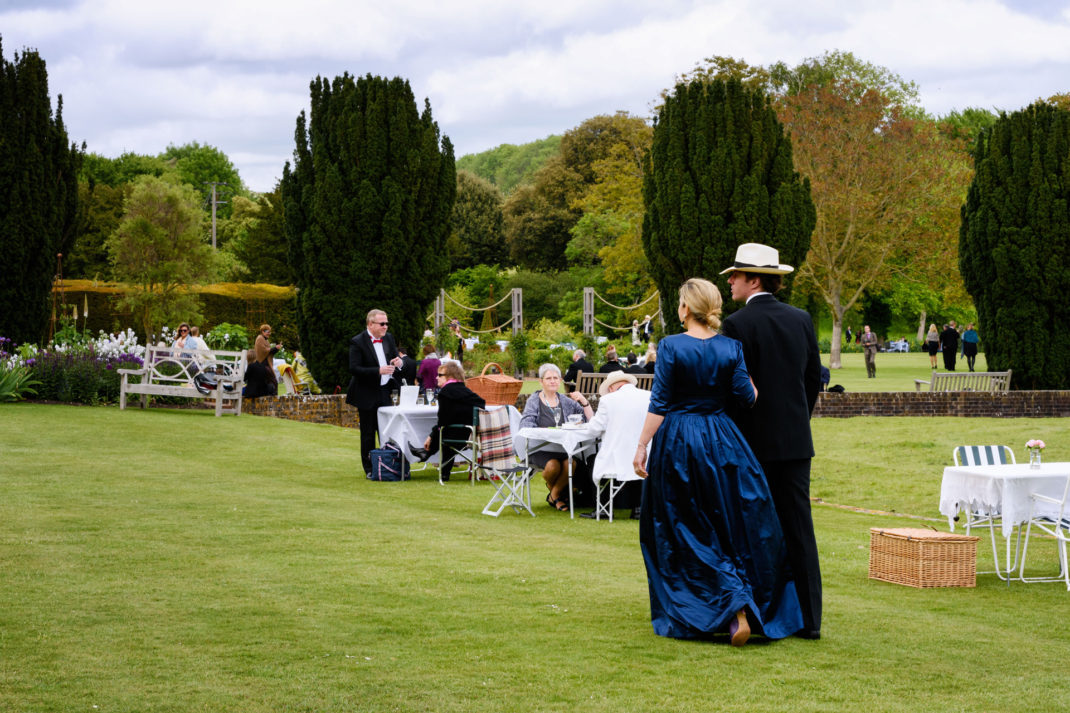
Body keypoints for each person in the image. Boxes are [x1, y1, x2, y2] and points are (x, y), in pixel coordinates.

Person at [633, 276, 803, 646]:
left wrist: (642, 445)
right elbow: (748, 397)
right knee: (728, 524)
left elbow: (659, 404)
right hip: (724, 442)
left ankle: (722, 606)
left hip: (679, 441)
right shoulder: (730, 348)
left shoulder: (671, 346)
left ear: (684, 308)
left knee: (683, 526)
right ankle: (738, 604)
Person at [720, 242, 823, 641]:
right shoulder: (801, 319)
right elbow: (813, 379)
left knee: (756, 529)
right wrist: (795, 420)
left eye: (736, 275)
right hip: (796, 443)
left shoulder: (737, 325)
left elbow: (735, 389)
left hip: (752, 445)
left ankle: (766, 617)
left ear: (754, 279)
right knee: (800, 529)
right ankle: (810, 621)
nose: (730, 281)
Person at [519, 363, 594, 512]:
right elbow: (525, 425)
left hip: (561, 447)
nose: (552, 381)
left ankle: (553, 495)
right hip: (540, 447)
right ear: (541, 381)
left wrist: (584, 402)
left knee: (570, 464)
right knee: (553, 466)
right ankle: (557, 494)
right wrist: (545, 432)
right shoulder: (534, 401)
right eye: (548, 378)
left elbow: (590, 420)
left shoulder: (566, 402)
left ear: (560, 380)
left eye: (555, 378)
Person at [578, 371, 649, 521]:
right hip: (644, 456)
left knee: (592, 459)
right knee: (634, 465)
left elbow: (594, 430)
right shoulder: (648, 396)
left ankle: (603, 508)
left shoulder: (608, 400)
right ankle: (638, 508)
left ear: (611, 387)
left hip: (616, 459)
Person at [345, 309, 404, 474]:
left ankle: (389, 464)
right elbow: (354, 368)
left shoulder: (389, 338)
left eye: (387, 323)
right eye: (382, 324)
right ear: (370, 324)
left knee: (387, 431)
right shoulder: (358, 341)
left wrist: (399, 362)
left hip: (386, 391)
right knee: (368, 433)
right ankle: (370, 468)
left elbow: (394, 358)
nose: (385, 327)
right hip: (366, 393)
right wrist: (378, 371)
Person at [408, 361, 485, 482]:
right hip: (470, 433)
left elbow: (443, 420)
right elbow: (481, 403)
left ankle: (426, 453)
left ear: (450, 377)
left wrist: (430, 436)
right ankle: (439, 468)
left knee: (442, 431)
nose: (436, 377)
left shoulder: (445, 392)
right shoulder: (464, 389)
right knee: (446, 430)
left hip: (455, 435)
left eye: (440, 375)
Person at [254, 324, 282, 391]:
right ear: (263, 331)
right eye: (268, 332)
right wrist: (274, 348)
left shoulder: (266, 340)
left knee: (272, 381)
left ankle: (272, 396)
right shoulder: (259, 338)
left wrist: (276, 349)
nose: (269, 333)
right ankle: (273, 396)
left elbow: (269, 352)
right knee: (273, 381)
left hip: (266, 364)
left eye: (270, 332)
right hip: (262, 364)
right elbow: (263, 351)